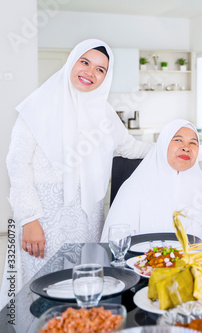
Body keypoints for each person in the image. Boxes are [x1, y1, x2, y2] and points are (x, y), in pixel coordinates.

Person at [4, 39, 152, 295]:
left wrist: (176, 145)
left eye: (100, 69)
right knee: (41, 286)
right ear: (72, 61)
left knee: (82, 285)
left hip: (87, 220)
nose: (90, 73)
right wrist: (29, 220)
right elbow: (18, 163)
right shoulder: (38, 105)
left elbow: (130, 148)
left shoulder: (105, 114)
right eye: (85, 62)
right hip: (43, 220)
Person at [101, 119, 202, 242]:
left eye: (193, 143)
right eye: (178, 140)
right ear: (163, 144)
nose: (186, 148)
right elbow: (114, 240)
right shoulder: (137, 184)